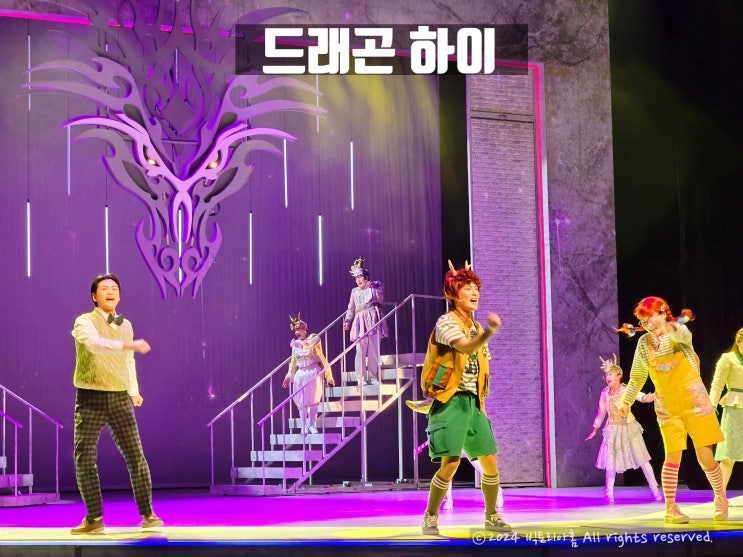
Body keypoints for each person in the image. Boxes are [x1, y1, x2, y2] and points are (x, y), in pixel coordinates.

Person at [617, 296, 727, 524]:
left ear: (662, 312)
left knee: (705, 457)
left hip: (695, 401)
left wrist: (668, 325)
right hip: (667, 406)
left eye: (650, 318)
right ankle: (670, 508)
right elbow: (637, 377)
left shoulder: (679, 333)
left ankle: (720, 496)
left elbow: (684, 334)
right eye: (643, 322)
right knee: (672, 456)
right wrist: (626, 402)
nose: (648, 325)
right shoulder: (644, 343)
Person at [419, 260, 509, 536]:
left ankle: (492, 517)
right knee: (451, 464)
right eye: (467, 287)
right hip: (450, 402)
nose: (474, 292)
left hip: (473, 403)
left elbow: (482, 366)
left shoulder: (477, 328)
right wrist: (490, 332)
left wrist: (482, 404)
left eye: (476, 288)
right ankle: (430, 517)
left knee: (489, 461)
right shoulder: (446, 322)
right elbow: (467, 349)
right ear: (453, 294)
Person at [70, 273, 162, 535]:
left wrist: (134, 391)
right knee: (85, 456)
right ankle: (94, 518)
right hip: (91, 397)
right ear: (94, 296)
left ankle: (148, 514)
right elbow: (96, 345)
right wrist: (127, 344)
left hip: (120, 397)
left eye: (114, 288)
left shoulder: (126, 324)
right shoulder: (84, 322)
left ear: (119, 295)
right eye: (104, 288)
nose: (110, 292)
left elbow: (128, 360)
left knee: (136, 456)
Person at [584, 354, 661, 503]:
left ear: (619, 376)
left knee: (643, 460)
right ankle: (609, 493)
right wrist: (594, 429)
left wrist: (651, 397)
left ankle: (655, 490)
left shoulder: (626, 389)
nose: (607, 377)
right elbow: (601, 412)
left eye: (610, 374)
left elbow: (641, 397)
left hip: (628, 429)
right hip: (612, 429)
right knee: (611, 463)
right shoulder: (605, 393)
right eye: (606, 375)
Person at [407, 398, 504, 510]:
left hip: (466, 443)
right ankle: (448, 500)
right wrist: (423, 446)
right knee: (446, 470)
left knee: (483, 470)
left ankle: (497, 491)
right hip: (452, 444)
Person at [282, 313, 335, 434]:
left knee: (313, 400)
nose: (297, 332)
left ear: (305, 329)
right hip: (301, 374)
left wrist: (297, 344)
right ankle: (303, 426)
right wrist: (288, 376)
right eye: (295, 330)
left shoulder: (314, 338)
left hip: (313, 372)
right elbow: (293, 362)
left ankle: (312, 424)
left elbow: (310, 344)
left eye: (299, 329)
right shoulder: (296, 345)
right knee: (302, 402)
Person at [708, 326, 743, 490]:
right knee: (729, 454)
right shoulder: (728, 358)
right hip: (734, 407)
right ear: (738, 341)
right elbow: (717, 385)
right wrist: (712, 406)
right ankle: (719, 495)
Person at [343, 257, 388, 385]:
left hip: (372, 318)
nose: (358, 280)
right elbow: (351, 308)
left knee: (373, 350)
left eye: (360, 277)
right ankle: (361, 378)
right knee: (360, 351)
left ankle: (373, 377)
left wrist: (374, 286)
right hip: (360, 321)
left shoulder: (373, 287)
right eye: (356, 278)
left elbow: (380, 297)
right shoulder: (354, 291)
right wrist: (348, 320)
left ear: (366, 277)